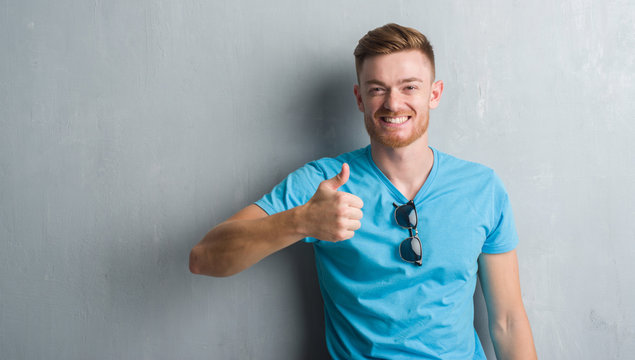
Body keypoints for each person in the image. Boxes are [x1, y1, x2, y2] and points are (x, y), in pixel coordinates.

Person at [189, 23, 537, 359]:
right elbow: (204, 258)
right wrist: (301, 221)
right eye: (377, 89)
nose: (393, 103)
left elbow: (507, 321)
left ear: (434, 93)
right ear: (359, 98)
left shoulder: (482, 188)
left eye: (409, 87)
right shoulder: (322, 183)